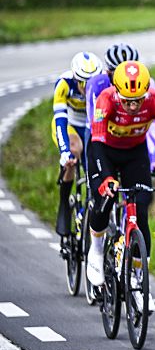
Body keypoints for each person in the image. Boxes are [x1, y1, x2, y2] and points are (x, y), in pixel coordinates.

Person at [85, 61, 155, 288]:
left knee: (141, 207)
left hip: (135, 153)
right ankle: (95, 251)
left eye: (138, 101)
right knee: (105, 198)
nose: (133, 106)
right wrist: (106, 178)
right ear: (116, 92)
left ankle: (137, 279)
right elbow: (96, 143)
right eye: (127, 101)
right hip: (105, 152)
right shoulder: (105, 99)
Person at [86, 43, 155, 175]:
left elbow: (152, 126)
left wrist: (154, 157)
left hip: (132, 137)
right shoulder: (97, 84)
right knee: (92, 164)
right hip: (104, 132)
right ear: (109, 72)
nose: (126, 78)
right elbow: (94, 123)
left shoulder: (147, 84)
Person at [52, 52, 102, 243]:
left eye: (91, 82)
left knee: (93, 164)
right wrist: (65, 152)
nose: (86, 87)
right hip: (70, 125)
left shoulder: (102, 84)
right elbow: (60, 121)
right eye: (82, 82)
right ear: (75, 78)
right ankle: (64, 204)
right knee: (74, 150)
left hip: (90, 125)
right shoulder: (64, 84)